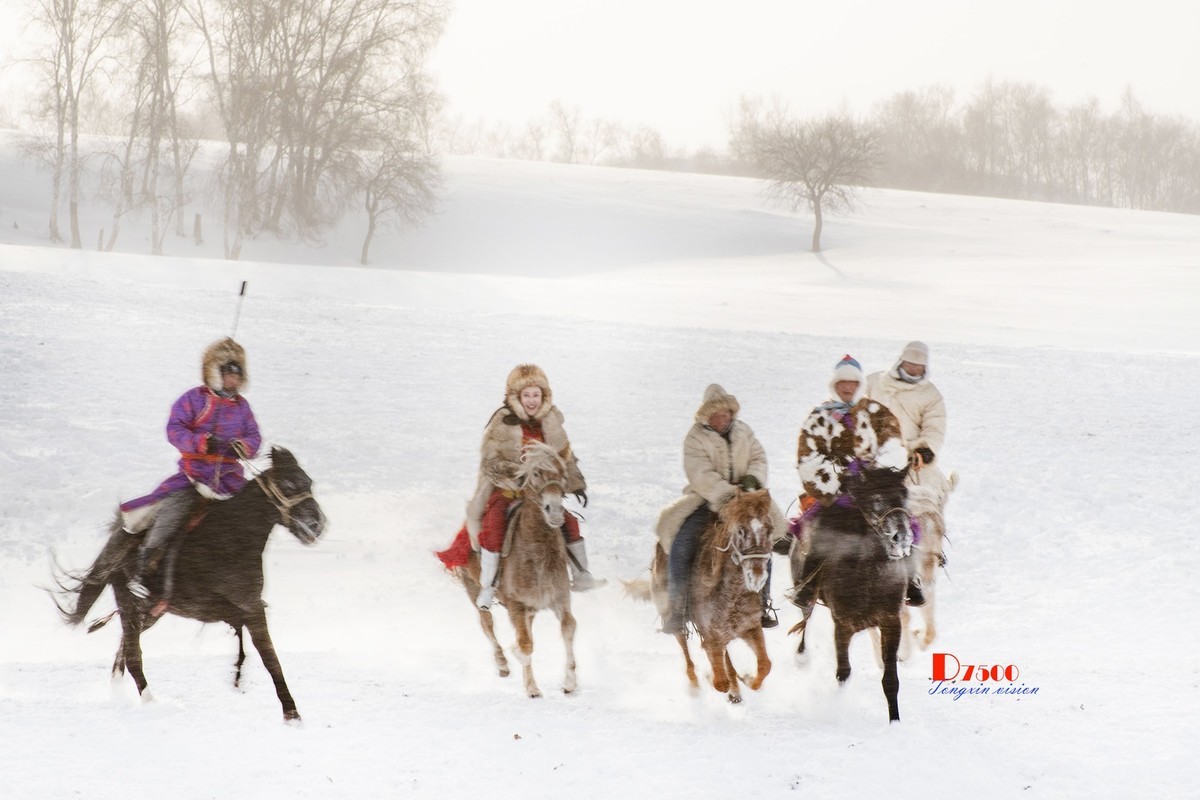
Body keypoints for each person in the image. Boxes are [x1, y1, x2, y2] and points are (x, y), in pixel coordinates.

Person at [123, 338, 262, 606]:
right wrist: (201, 442)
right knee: (172, 511)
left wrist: (242, 447)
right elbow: (174, 429)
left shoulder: (243, 407)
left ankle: (242, 581)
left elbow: (254, 438)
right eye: (229, 373)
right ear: (216, 374)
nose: (234, 379)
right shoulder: (194, 399)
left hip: (230, 480)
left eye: (238, 374)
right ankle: (142, 572)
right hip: (194, 475)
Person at [787, 354, 924, 607]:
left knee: (904, 524)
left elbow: (894, 446)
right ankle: (808, 584)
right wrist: (837, 478)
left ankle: (910, 579)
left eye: (852, 383)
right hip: (840, 495)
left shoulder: (877, 412)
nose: (848, 388)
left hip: (875, 490)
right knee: (822, 529)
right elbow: (808, 459)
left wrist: (877, 475)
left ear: (859, 385)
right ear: (834, 385)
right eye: (843, 383)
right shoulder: (818, 418)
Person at [466, 364, 604, 610]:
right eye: (526, 395)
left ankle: (580, 573)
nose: (531, 400)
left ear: (544, 396)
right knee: (494, 525)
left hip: (542, 492)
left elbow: (565, 457)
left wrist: (575, 483)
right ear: (516, 397)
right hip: (509, 490)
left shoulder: (551, 423)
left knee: (569, 521)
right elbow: (490, 461)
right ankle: (489, 585)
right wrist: (516, 474)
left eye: (536, 395)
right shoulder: (502, 422)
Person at [653, 384, 787, 634]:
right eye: (715, 415)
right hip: (708, 501)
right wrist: (727, 495)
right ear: (706, 416)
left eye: (725, 414)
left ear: (730, 413)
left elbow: (758, 458)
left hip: (747, 498)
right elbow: (699, 473)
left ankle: (763, 601)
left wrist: (753, 480)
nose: (720, 419)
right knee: (681, 544)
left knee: (764, 540)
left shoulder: (744, 432)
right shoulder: (695, 438)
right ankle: (678, 608)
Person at [864, 341, 951, 499]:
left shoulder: (931, 395)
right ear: (901, 361)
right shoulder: (873, 382)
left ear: (925, 367)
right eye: (910, 363)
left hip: (909, 457)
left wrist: (927, 449)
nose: (913, 369)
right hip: (870, 453)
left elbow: (934, 426)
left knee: (925, 499)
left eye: (918, 365)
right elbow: (855, 411)